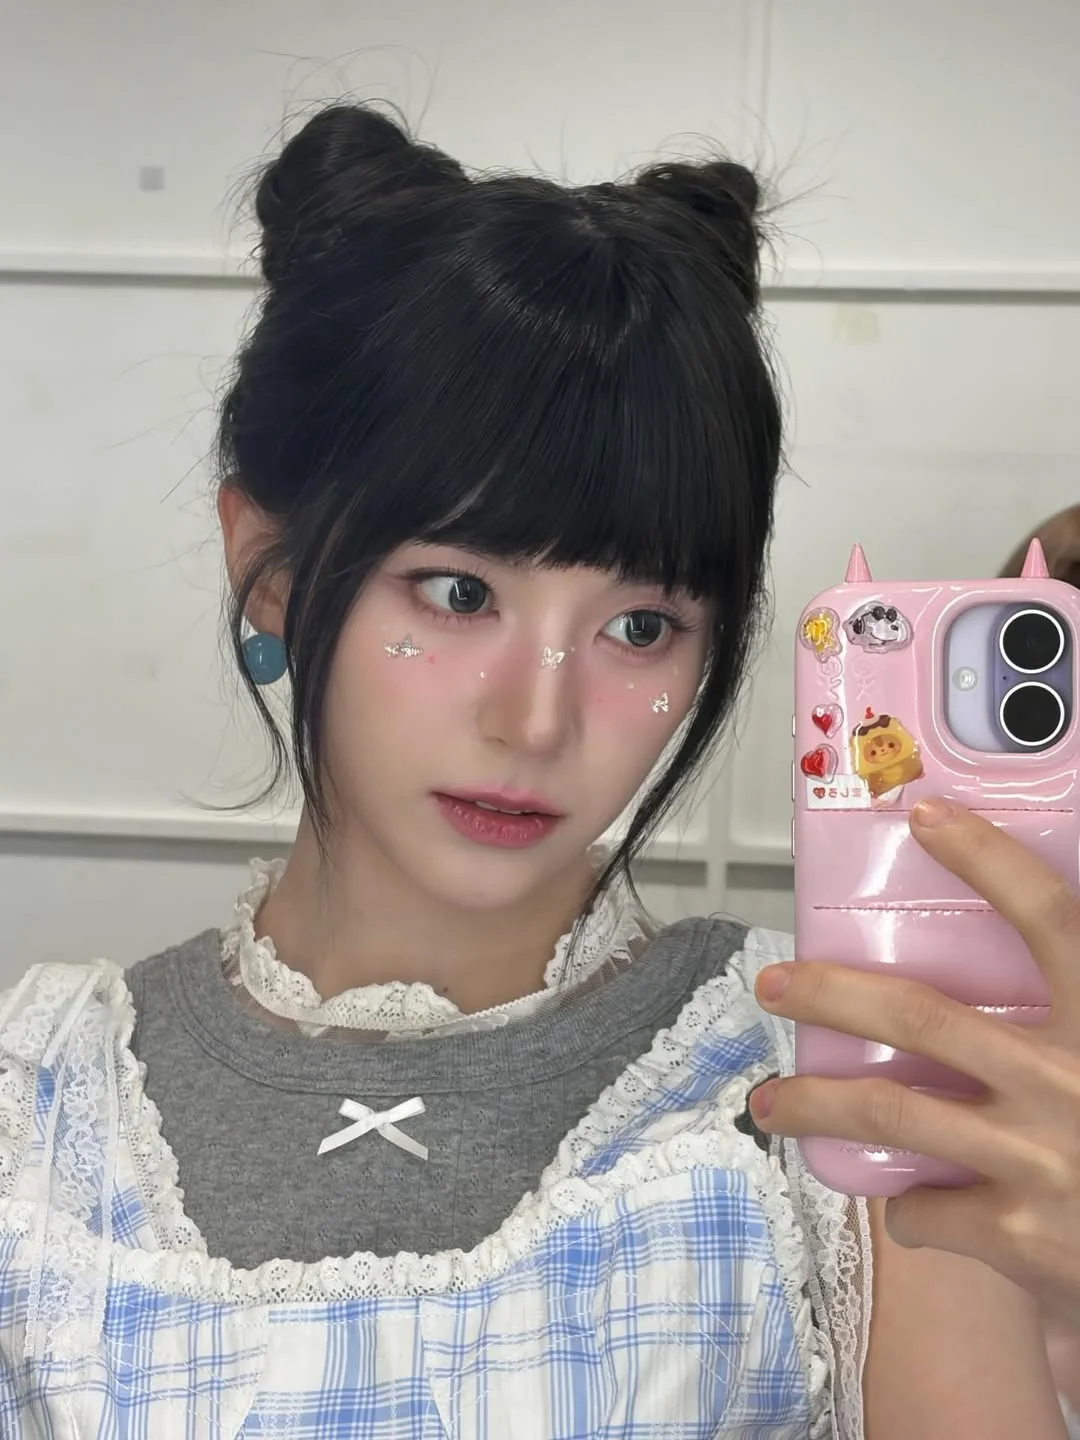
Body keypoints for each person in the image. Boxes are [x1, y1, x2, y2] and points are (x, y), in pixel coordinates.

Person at [0, 102, 1071, 1437]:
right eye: (458, 592)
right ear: (268, 566)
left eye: (642, 626)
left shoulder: (838, 1082)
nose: (538, 719)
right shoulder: (38, 1102)